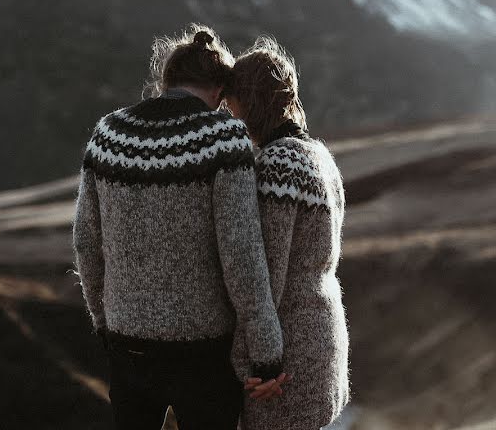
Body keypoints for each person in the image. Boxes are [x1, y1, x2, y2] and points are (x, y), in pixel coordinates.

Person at [71, 25, 288, 430]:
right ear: (220, 92)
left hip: (127, 346)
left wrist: (104, 320)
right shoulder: (223, 139)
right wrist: (266, 352)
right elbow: (241, 254)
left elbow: (86, 241)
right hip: (204, 355)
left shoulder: (108, 136)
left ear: (165, 80)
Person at [224, 36, 350, 430]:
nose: (229, 113)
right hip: (323, 339)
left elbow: (266, 273)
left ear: (251, 100)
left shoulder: (278, 165)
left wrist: (255, 364)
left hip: (286, 361)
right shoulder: (320, 156)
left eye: (232, 102)